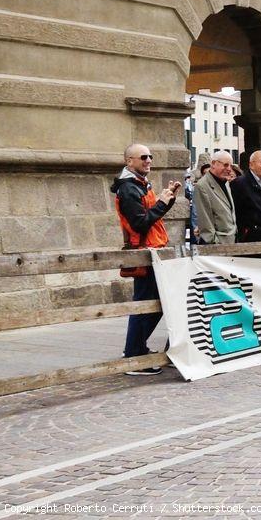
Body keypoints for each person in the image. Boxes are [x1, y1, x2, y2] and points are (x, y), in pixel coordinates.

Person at [111, 143, 178, 375]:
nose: (148, 160)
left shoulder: (139, 185)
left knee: (156, 304)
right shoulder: (129, 188)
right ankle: (133, 354)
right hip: (144, 252)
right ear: (129, 161)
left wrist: (165, 201)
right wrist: (161, 204)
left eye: (150, 156)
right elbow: (140, 223)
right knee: (146, 304)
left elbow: (151, 218)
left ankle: (135, 348)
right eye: (143, 157)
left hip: (153, 250)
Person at [194, 150, 237, 244]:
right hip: (217, 246)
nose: (229, 169)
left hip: (230, 242)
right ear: (213, 164)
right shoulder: (202, 186)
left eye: (231, 166)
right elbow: (205, 221)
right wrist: (214, 242)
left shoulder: (225, 182)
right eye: (226, 165)